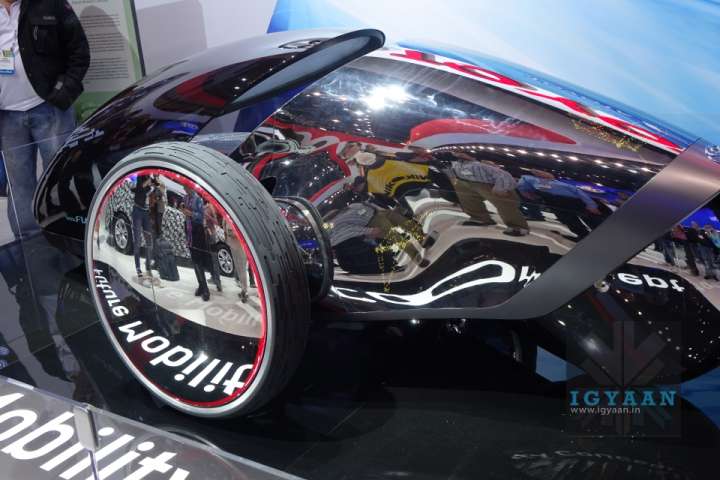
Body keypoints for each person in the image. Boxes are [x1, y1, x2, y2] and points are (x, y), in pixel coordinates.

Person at [0, 0, 89, 238]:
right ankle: (28, 243)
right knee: (19, 185)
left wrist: (63, 93)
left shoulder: (50, 3)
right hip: (7, 117)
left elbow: (79, 51)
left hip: (50, 109)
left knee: (62, 177)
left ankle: (68, 235)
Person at [449, 152, 529, 236]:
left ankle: (518, 226)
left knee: (504, 204)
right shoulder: (456, 161)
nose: (456, 153)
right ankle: (479, 218)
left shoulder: (484, 162)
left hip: (490, 184)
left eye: (461, 152)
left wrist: (501, 187)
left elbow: (504, 174)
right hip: (467, 181)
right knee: (468, 199)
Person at [517, 169, 603, 240]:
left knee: (583, 220)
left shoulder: (541, 183)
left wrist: (592, 205)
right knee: (572, 221)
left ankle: (589, 236)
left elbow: (578, 192)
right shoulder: (537, 182)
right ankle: (585, 236)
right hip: (562, 203)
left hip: (570, 202)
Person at [182, 185, 210, 301]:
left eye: (186, 187)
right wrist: (184, 211)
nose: (185, 189)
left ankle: (205, 289)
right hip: (189, 232)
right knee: (194, 261)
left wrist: (190, 213)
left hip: (197, 232)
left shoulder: (198, 199)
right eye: (184, 187)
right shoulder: (185, 198)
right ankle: (201, 285)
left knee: (199, 261)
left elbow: (201, 216)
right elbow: (185, 212)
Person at [130, 175, 155, 281]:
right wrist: (148, 182)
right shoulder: (141, 176)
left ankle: (148, 267)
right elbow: (138, 189)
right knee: (137, 241)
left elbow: (155, 194)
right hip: (137, 211)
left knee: (149, 242)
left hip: (146, 213)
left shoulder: (151, 180)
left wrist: (154, 184)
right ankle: (138, 268)